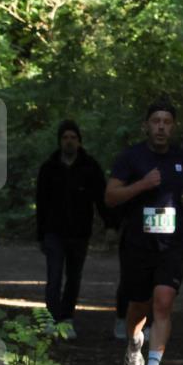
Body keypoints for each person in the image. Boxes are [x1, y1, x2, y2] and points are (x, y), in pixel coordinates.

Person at [104, 99, 183, 365]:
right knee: (139, 307)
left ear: (173, 126)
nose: (161, 126)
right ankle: (134, 342)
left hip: (172, 243)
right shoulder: (131, 158)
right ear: (146, 126)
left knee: (164, 302)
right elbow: (110, 196)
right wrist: (142, 185)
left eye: (167, 122)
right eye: (156, 121)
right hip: (138, 244)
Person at [36, 119, 110, 339]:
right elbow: (41, 202)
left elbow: (101, 198)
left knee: (74, 277)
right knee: (55, 276)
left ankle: (67, 319)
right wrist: (40, 234)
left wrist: (111, 224)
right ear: (60, 141)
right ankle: (51, 319)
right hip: (53, 232)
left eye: (73, 138)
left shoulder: (90, 166)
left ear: (79, 141)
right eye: (65, 137)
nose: (69, 141)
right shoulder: (49, 168)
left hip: (80, 232)